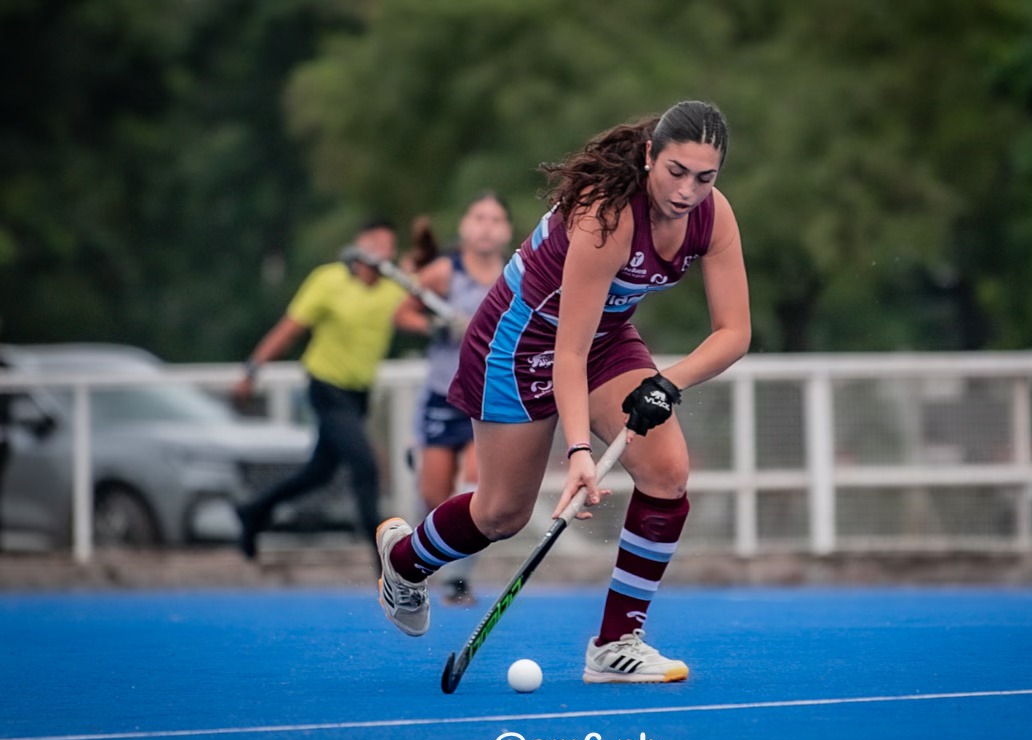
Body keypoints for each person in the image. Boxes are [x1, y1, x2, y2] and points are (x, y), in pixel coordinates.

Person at [375, 100, 750, 684]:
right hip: (518, 341)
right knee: (500, 514)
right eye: (676, 171)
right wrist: (579, 452)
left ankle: (615, 643)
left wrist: (666, 383)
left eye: (705, 177)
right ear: (651, 154)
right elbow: (564, 354)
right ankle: (404, 561)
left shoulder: (713, 217)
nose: (687, 191)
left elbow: (735, 332)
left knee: (668, 472)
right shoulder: (607, 215)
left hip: (603, 338)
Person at [233, 218, 408, 562]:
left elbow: (423, 295)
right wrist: (252, 370)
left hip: (359, 395)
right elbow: (289, 330)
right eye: (375, 243)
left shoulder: (394, 289)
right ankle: (385, 559)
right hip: (326, 388)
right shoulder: (328, 280)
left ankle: (254, 510)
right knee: (365, 466)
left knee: (319, 472)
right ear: (360, 247)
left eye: (389, 245)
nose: (383, 252)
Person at [392, 192, 514, 606]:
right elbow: (403, 313)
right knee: (434, 495)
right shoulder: (444, 273)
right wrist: (438, 328)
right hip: (443, 396)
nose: (486, 226)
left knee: (477, 486)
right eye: (478, 217)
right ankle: (410, 565)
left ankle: (458, 578)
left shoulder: (516, 274)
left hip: (487, 399)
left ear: (507, 231)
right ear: (464, 226)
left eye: (495, 220)